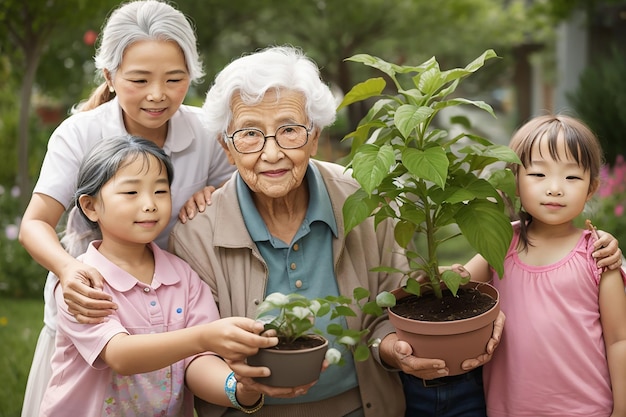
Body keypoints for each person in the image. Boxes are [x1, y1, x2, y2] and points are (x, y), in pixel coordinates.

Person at [166, 45, 496, 417]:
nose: (271, 153)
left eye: (289, 130)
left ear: (315, 135)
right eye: (249, 134)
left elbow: (392, 307)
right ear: (227, 148)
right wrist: (239, 388)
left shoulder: (366, 201)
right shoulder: (196, 233)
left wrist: (394, 349)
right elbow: (196, 352)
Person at [18, 1, 234, 415]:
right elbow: (35, 223)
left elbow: (239, 197)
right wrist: (69, 270)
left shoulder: (206, 132)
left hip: (174, 315)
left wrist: (214, 196)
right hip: (97, 316)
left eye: (175, 79)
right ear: (110, 76)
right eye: (139, 79)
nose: (158, 94)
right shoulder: (81, 133)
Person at [39, 136, 276, 416]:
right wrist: (204, 337)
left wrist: (237, 389)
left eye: (161, 191)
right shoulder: (81, 286)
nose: (150, 204)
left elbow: (198, 361)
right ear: (91, 206)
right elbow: (120, 355)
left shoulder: (183, 276)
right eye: (131, 193)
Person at [461, 115, 626, 417]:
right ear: (515, 182)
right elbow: (453, 289)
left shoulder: (598, 255)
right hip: (509, 409)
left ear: (591, 188)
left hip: (587, 410)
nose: (554, 188)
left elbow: (619, 339)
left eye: (572, 177)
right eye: (538, 174)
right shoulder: (502, 244)